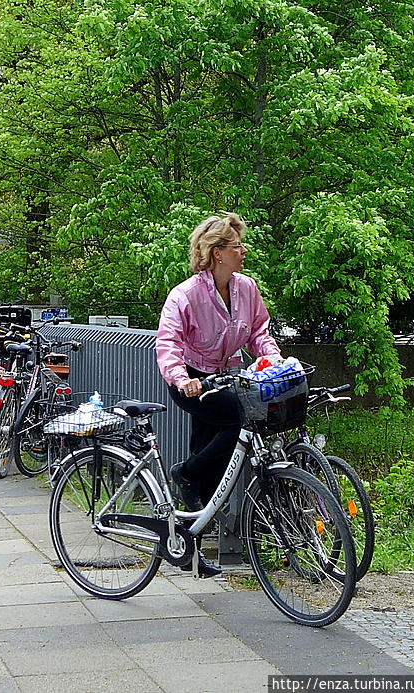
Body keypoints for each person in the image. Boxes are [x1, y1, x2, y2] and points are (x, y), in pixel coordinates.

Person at [156, 213, 282, 576]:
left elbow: (259, 330)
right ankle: (185, 473)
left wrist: (272, 358)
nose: (243, 251)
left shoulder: (247, 288)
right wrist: (182, 379)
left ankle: (190, 552)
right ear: (216, 253)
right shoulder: (186, 295)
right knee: (242, 420)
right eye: (236, 245)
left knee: (210, 467)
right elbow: (168, 343)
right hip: (192, 381)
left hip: (225, 376)